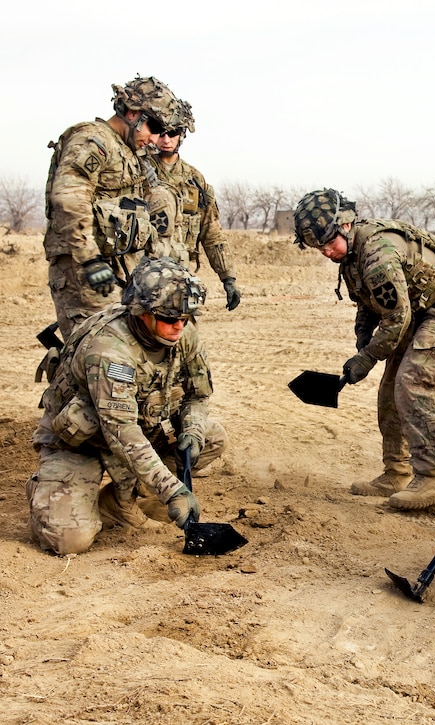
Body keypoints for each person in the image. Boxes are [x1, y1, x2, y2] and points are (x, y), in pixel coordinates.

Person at [26, 256, 226, 555]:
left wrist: (192, 432)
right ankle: (48, 488)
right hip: (82, 443)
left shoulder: (183, 335)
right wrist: (172, 490)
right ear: (141, 312)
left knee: (212, 437)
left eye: (186, 319)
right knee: (67, 540)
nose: (179, 327)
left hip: (137, 430)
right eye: (170, 319)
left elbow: (197, 395)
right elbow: (122, 433)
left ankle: (121, 500)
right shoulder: (110, 350)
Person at [292, 189, 435, 510]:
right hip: (417, 314)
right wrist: (362, 338)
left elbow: (396, 317)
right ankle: (396, 473)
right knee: (389, 393)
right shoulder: (352, 255)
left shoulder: (377, 253)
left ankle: (432, 478)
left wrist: (368, 357)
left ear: (345, 227)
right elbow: (369, 303)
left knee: (412, 387)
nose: (327, 252)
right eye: (319, 248)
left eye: (329, 243)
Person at [44, 76, 179, 339]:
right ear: (132, 114)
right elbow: (70, 198)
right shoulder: (93, 141)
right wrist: (89, 261)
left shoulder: (132, 152)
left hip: (122, 267)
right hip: (84, 270)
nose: (155, 138)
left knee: (126, 351)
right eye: (153, 127)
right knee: (97, 349)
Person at [147, 99, 242, 311]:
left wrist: (228, 278)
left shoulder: (195, 180)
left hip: (181, 273)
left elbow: (211, 232)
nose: (166, 139)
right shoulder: (139, 172)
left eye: (172, 133)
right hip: (144, 273)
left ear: (182, 135)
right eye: (160, 132)